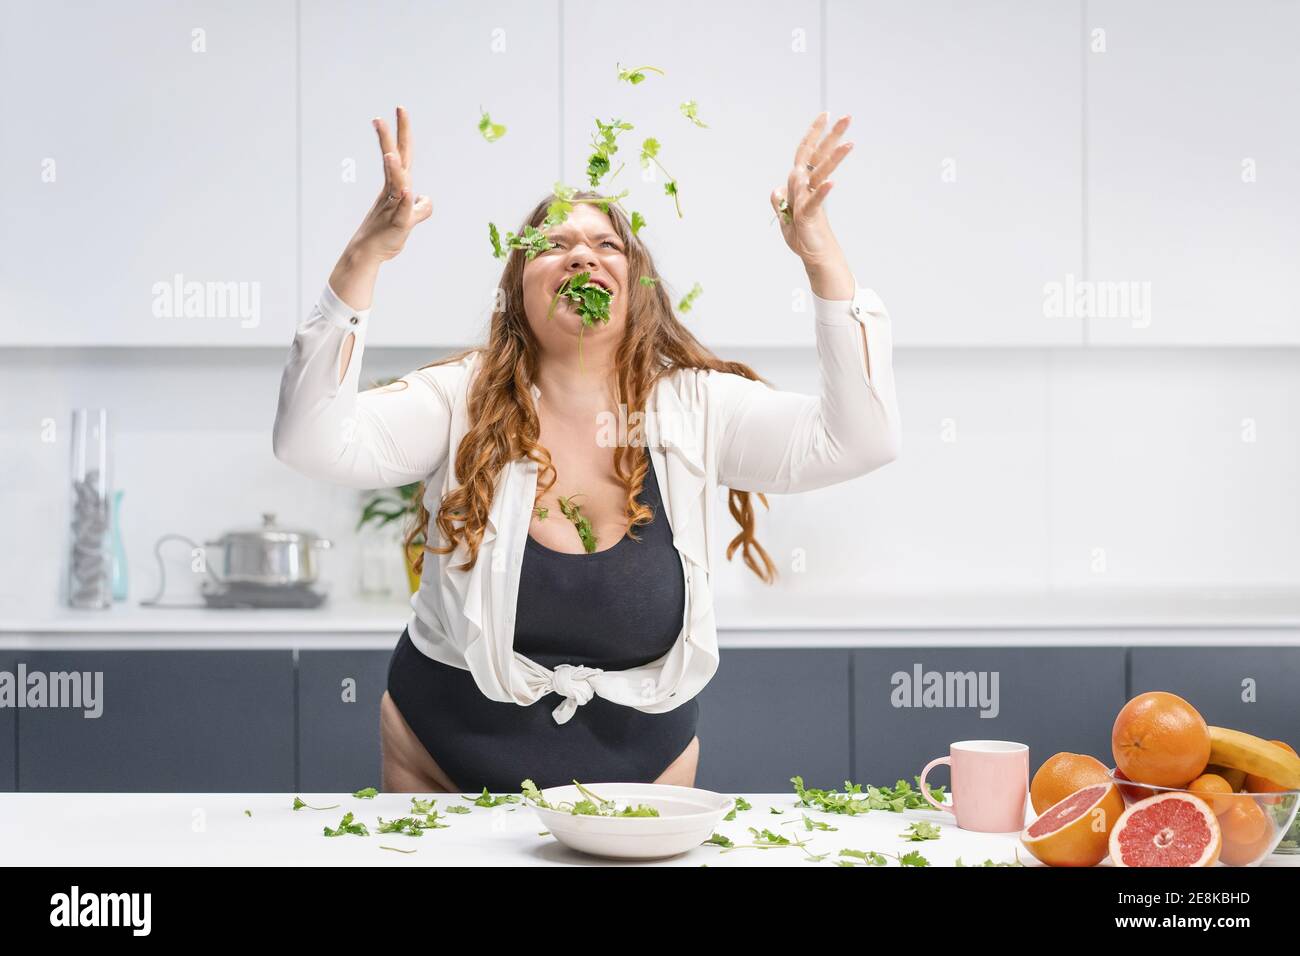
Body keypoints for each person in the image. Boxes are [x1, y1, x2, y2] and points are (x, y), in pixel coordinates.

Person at [272, 106, 900, 794]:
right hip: (441, 759)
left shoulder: (695, 408)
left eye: (608, 245)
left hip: (644, 773)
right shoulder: (457, 400)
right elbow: (311, 442)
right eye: (554, 243)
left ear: (636, 288)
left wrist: (819, 253)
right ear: (516, 290)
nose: (582, 253)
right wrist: (367, 253)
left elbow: (859, 438)